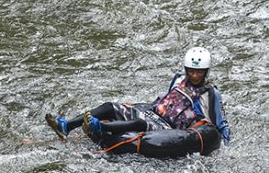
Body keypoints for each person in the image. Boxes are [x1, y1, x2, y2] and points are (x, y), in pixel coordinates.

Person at [45, 47, 231, 144]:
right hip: (152, 113)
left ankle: (98, 127)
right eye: (191, 70)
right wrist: (138, 106)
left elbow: (219, 124)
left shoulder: (211, 94)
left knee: (140, 125)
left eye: (199, 72)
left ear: (206, 71)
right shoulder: (178, 79)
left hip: (168, 128)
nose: (195, 75)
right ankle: (66, 126)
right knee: (110, 106)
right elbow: (166, 100)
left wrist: (225, 144)